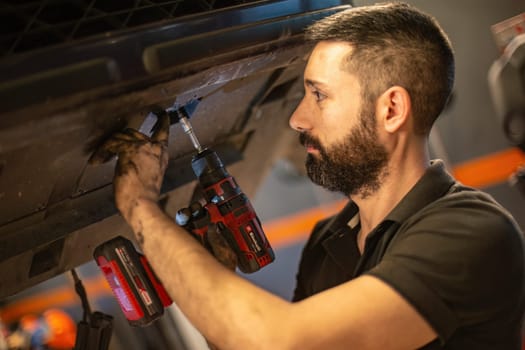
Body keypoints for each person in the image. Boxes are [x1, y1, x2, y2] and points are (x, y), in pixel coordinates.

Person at [91, 2, 525, 349]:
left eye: (319, 95)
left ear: (390, 109)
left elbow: (279, 340)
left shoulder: (471, 231)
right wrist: (210, 275)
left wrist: (139, 206)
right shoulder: (328, 240)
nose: (298, 118)